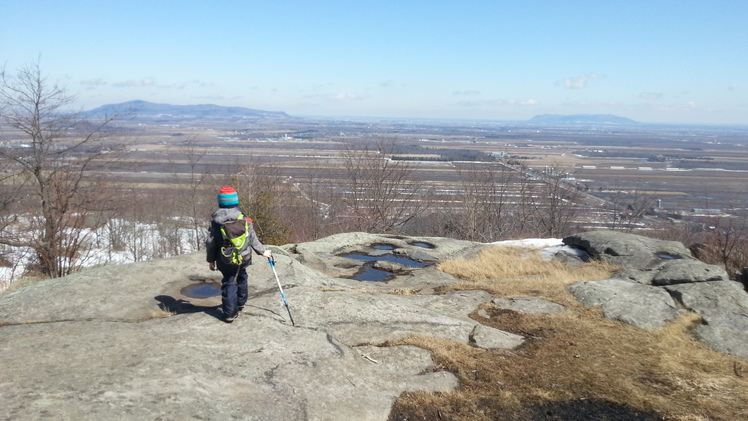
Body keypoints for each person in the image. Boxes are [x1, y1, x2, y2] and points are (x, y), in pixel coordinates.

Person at [206, 186, 272, 323]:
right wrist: (262, 251)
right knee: (242, 276)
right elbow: (252, 237)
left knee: (229, 282)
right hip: (244, 256)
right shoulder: (244, 218)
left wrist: (211, 260)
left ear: (220, 203)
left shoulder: (216, 222)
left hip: (225, 259)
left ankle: (230, 313)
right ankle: (241, 303)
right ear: (236, 202)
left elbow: (211, 242)